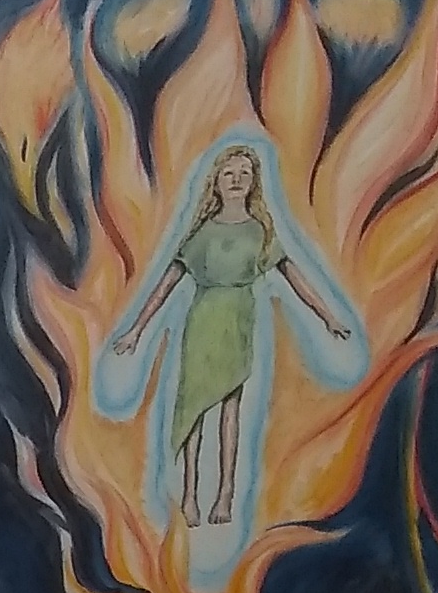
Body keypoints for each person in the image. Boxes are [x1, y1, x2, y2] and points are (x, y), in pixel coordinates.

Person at [114, 142, 348, 527]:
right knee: (193, 409)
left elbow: (294, 277)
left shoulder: (260, 232)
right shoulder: (203, 233)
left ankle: (224, 495)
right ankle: (190, 496)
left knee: (230, 409)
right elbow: (166, 283)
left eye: (244, 174)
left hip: (238, 322)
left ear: (254, 182)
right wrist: (136, 331)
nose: (237, 180)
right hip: (202, 322)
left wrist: (327, 317)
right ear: (216, 183)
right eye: (229, 173)